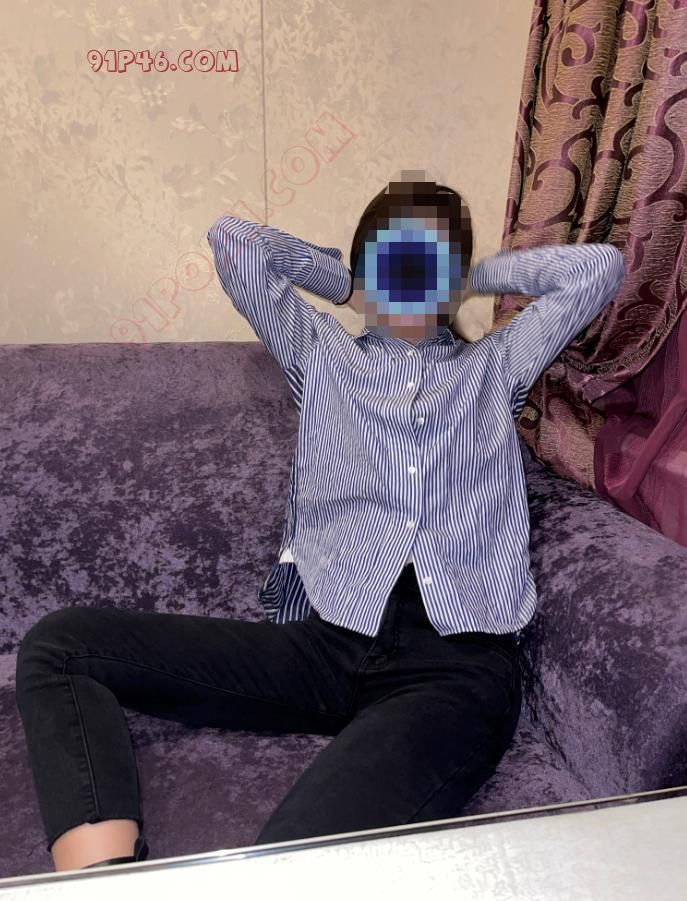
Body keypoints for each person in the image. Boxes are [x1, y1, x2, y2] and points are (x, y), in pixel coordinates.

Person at [14, 170, 626, 872]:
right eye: (393, 258)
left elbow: (598, 269)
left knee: (289, 865)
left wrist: (479, 276)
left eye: (430, 262)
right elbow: (234, 242)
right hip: (326, 648)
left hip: (452, 667)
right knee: (61, 645)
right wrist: (343, 282)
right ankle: (99, 880)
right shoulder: (321, 356)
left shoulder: (495, 369)